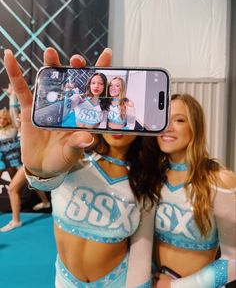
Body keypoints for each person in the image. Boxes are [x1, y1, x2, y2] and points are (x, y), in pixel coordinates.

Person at [4, 47, 159, 287]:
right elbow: (48, 178)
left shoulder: (144, 179)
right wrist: (40, 171)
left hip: (118, 280)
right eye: (112, 93)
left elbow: (142, 248)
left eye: (124, 108)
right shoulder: (77, 160)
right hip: (65, 280)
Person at [152, 94, 236, 288]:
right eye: (162, 120)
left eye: (179, 120)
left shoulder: (219, 180)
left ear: (195, 127)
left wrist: (176, 287)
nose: (168, 127)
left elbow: (233, 259)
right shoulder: (152, 178)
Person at [0, 87, 51, 232]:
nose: (17, 116)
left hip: (31, 163)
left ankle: (16, 220)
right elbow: (13, 111)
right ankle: (46, 202)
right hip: (26, 163)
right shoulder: (20, 128)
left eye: (21, 114)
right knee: (32, 183)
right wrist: (12, 96)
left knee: (12, 189)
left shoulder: (35, 128)